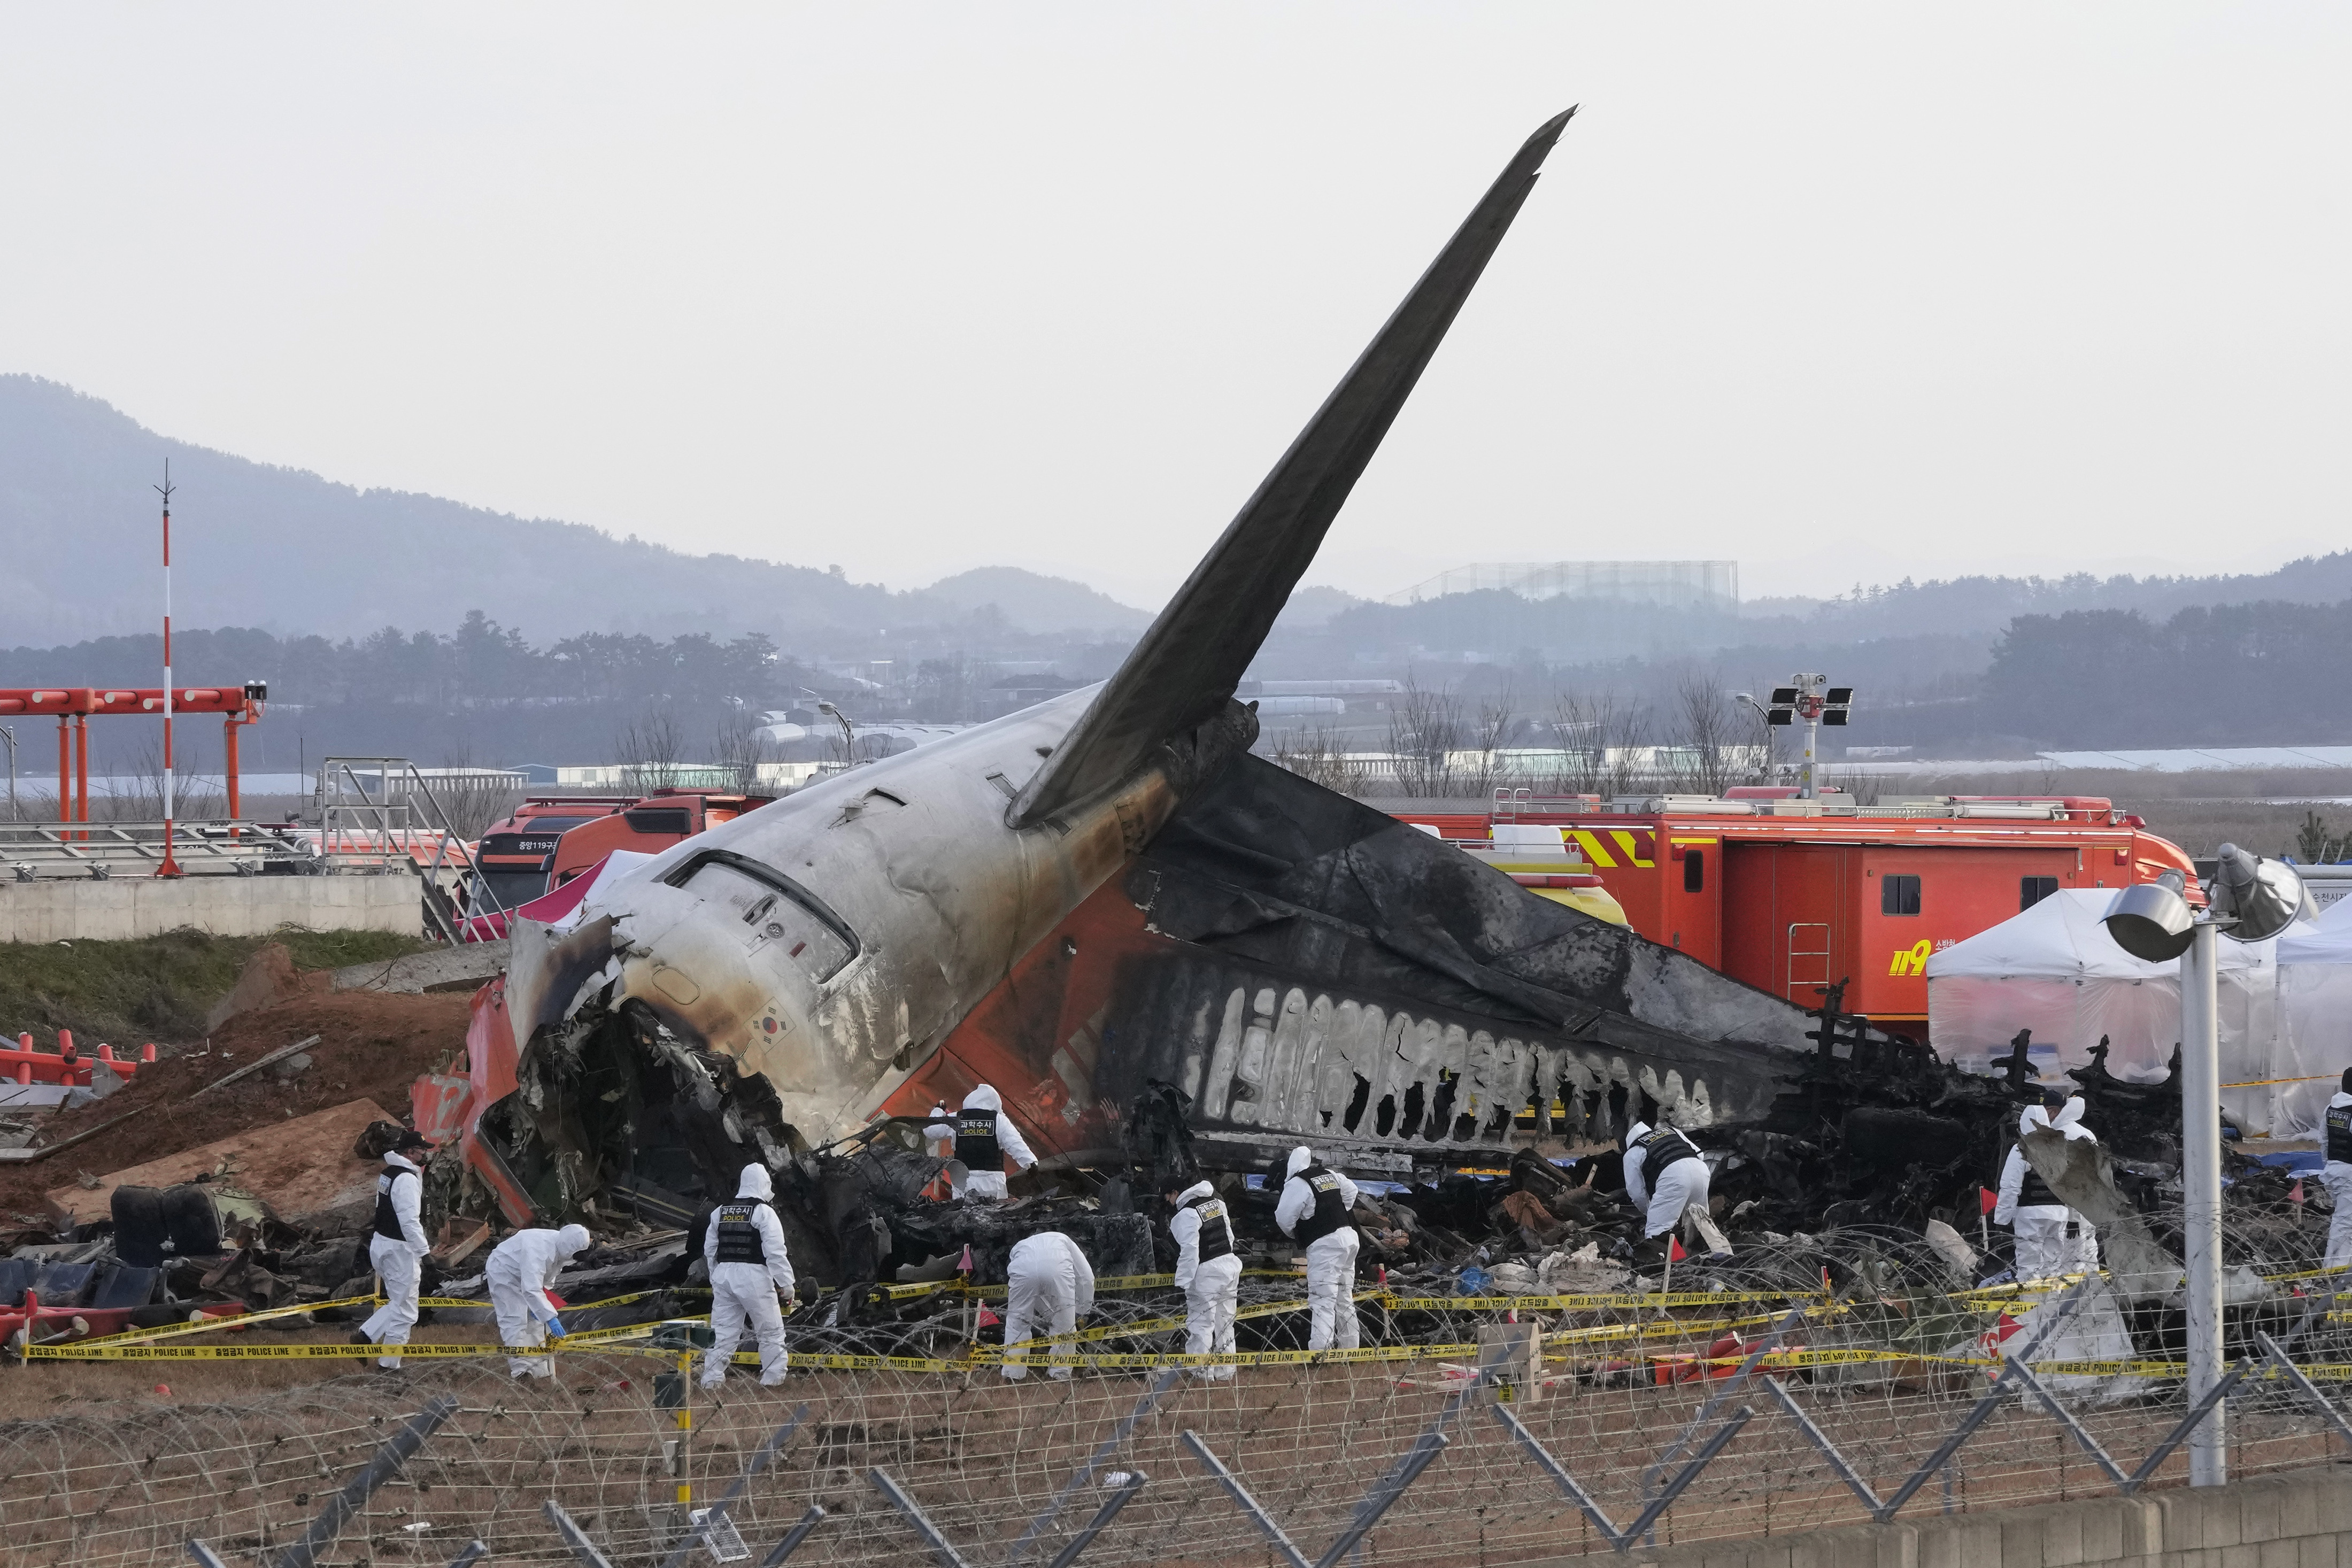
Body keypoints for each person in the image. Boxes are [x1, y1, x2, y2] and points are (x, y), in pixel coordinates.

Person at [701, 1163, 796, 1388]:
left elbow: (710, 1251)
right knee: (770, 1331)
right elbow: (775, 1253)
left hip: (724, 1276)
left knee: (722, 1333)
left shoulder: (720, 1212)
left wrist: (716, 1277)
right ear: (764, 1184)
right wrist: (787, 1284)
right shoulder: (764, 1212)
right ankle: (774, 1379)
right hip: (754, 1276)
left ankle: (711, 1379)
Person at [352, 1130, 431, 1369]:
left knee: (400, 1305)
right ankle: (379, 1356)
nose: (426, 1154)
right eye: (422, 1150)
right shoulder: (406, 1178)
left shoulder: (388, 1173)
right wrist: (425, 1253)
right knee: (406, 1312)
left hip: (382, 1244)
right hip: (399, 1250)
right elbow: (409, 1221)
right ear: (410, 1152)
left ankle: (374, 1347)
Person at [1995, 1092, 2089, 1280]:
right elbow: (2070, 1185)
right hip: (2059, 1215)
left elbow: (2011, 1187)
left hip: (2030, 1216)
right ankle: (2051, 1303)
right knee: (2052, 1265)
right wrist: (2074, 1218)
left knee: (2029, 1265)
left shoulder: (2021, 1148)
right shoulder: (2060, 1147)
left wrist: (2001, 1220)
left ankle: (2032, 1304)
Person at [1275, 1147, 1360, 1352]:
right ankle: (1351, 1350)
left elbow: (1284, 1218)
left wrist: (1302, 1229)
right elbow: (1352, 1192)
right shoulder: (1329, 1174)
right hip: (1349, 1238)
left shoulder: (1297, 1183)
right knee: (1344, 1297)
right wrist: (1339, 1213)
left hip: (1326, 1246)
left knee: (1323, 1301)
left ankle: (1319, 1353)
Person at [484, 1223, 591, 1378]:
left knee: (536, 1324)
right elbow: (531, 1288)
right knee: (515, 1319)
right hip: (504, 1271)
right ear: (569, 1247)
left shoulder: (560, 1249)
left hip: (525, 1277)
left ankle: (538, 1371)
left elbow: (545, 1281)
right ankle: (522, 1372)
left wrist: (541, 1307)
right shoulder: (538, 1249)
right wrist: (550, 1316)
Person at [1168, 1178, 1241, 1380]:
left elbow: (1190, 1251)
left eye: (1168, 1197)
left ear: (1175, 1193)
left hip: (1206, 1272)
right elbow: (1229, 1236)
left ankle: (1201, 1373)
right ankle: (1227, 1371)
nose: (1169, 1202)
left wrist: (1182, 1282)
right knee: (1226, 1321)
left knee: (1201, 1324)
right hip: (1229, 1265)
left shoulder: (1186, 1214)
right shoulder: (1217, 1203)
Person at [1001, 1231, 1094, 1381]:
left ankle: (1013, 1375)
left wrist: (1049, 1315)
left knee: (1017, 1324)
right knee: (1065, 1327)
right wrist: (1083, 1311)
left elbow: (1034, 1289)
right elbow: (1086, 1278)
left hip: (1022, 1269)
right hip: (1057, 1270)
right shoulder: (1065, 1240)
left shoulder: (1021, 1245)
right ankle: (1060, 1374)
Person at [924, 1084, 1037, 1201]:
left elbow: (931, 1130)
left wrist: (938, 1110)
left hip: (963, 1180)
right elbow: (1015, 1143)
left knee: (964, 1214)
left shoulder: (956, 1118)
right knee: (994, 1212)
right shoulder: (999, 1120)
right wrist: (1030, 1162)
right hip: (993, 1180)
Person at [1622, 1119, 1710, 1246]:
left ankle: (1671, 1263)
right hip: (1701, 1170)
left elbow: (1636, 1194)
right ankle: (1711, 1256)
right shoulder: (1672, 1131)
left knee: (1657, 1232)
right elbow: (1700, 1154)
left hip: (1673, 1177)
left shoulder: (1633, 1152)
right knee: (1701, 1222)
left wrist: (1650, 1211)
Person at [2324, 1069, 2352, 1270]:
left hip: (2334, 1171)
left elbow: (2323, 1141)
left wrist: (2329, 1166)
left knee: (2343, 1222)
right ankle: (2336, 1274)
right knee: (2345, 1225)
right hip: (2350, 1174)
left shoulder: (2331, 1109)